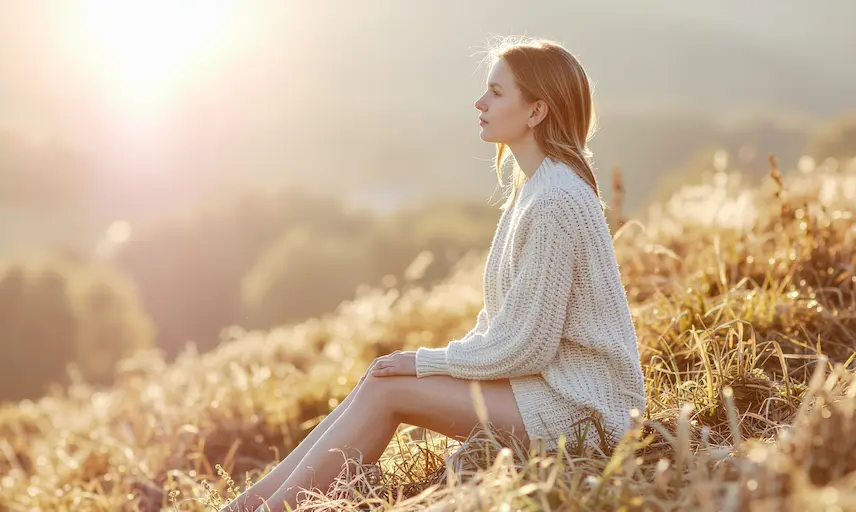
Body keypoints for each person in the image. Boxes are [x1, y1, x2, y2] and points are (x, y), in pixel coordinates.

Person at [222, 36, 646, 512]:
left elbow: (528, 346)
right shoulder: (534, 189)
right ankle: (245, 506)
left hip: (584, 413)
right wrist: (428, 367)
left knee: (391, 387)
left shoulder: (555, 201)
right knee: (381, 379)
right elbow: (502, 326)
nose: (480, 103)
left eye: (497, 93)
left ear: (536, 112)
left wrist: (424, 363)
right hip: (545, 391)